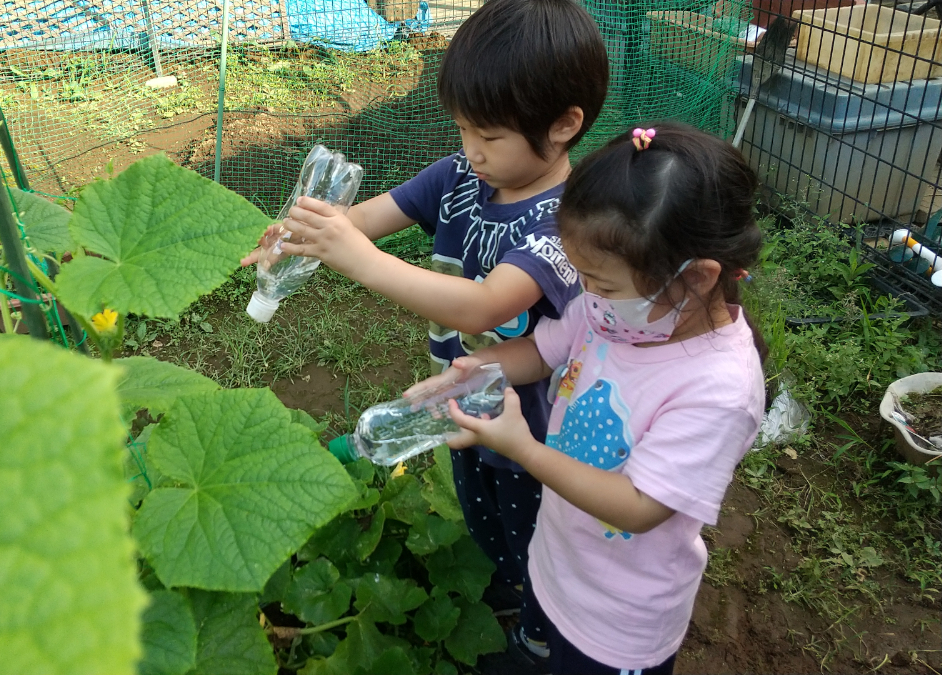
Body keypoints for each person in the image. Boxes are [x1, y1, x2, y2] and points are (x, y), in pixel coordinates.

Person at [241, 0, 608, 664]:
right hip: (461, 399)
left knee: (540, 537)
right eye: (464, 128)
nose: (471, 149)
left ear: (563, 125)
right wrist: (307, 236)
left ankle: (540, 628)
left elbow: (483, 306)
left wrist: (360, 261)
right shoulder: (462, 176)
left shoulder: (566, 222)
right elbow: (365, 219)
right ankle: (507, 578)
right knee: (482, 511)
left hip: (534, 425)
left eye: (488, 135)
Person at [409, 122, 767, 675]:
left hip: (620, 622)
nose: (588, 296)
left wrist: (524, 450)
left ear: (697, 278)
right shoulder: (616, 314)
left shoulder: (718, 390)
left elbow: (639, 507)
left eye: (602, 284)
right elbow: (542, 350)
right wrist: (470, 371)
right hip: (563, 562)